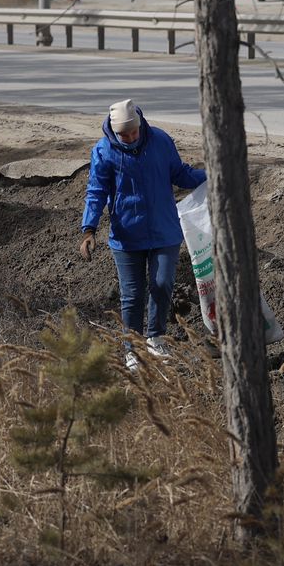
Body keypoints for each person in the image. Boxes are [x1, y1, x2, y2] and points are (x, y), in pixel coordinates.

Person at [78, 99, 206, 367]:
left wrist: (212, 175)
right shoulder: (103, 152)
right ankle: (132, 349)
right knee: (132, 294)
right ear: (114, 132)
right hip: (127, 235)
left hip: (164, 229)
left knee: (162, 284)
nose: (131, 137)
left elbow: (180, 174)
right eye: (124, 135)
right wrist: (89, 229)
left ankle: (156, 339)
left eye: (133, 131)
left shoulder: (160, 140)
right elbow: (96, 192)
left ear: (139, 123)